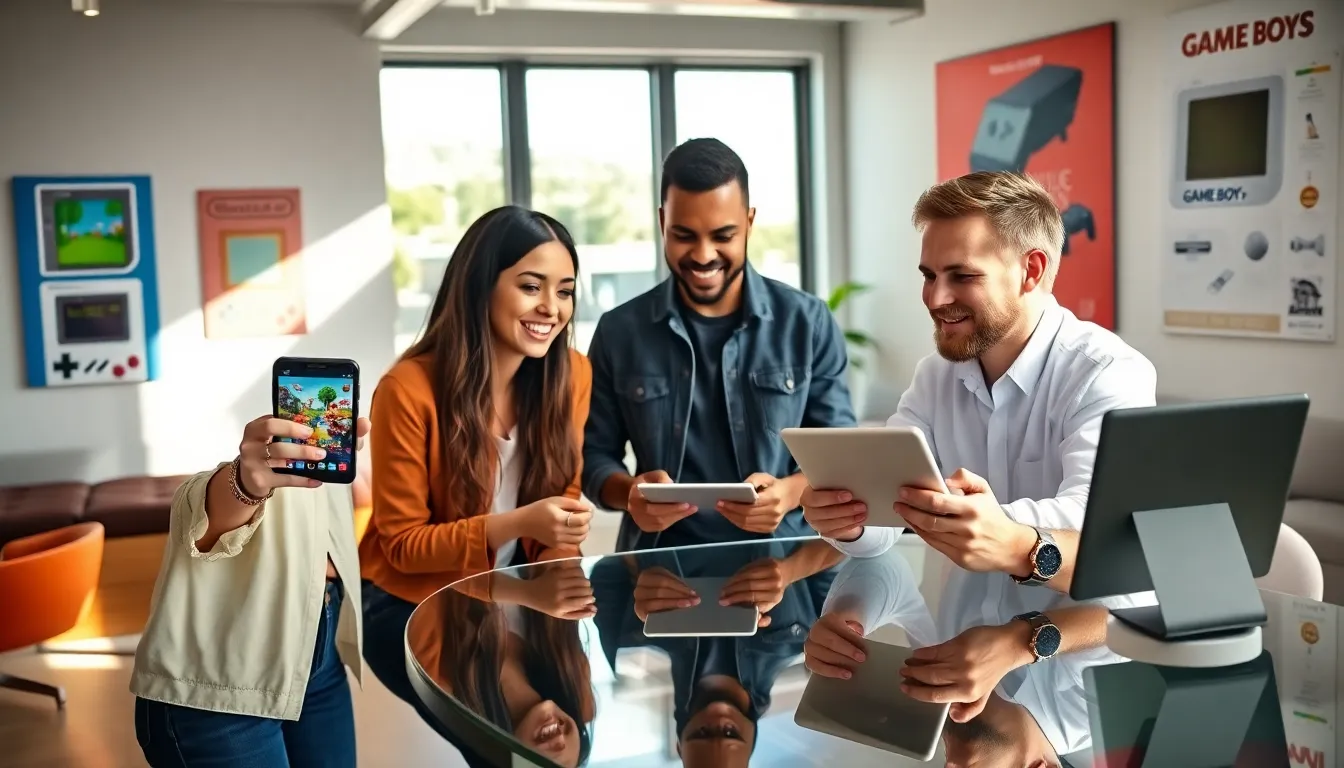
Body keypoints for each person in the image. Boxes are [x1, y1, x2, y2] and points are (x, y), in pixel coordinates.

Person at [801, 170, 1156, 719]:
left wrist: (1005, 533)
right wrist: (851, 518)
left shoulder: (1108, 374)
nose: (936, 298)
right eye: (929, 275)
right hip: (953, 667)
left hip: (1082, 678)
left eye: (961, 275)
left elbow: (1109, 538)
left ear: (1030, 271)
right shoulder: (935, 378)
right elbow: (883, 525)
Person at [359, 205, 595, 731]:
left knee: (571, 725)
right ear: (481, 286)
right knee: (515, 737)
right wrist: (521, 526)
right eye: (531, 286)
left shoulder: (572, 375)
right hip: (413, 601)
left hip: (518, 588)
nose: (551, 308)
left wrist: (559, 550)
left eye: (565, 290)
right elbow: (402, 544)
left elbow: (566, 491)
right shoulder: (408, 389)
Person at [583, 137, 856, 551]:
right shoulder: (619, 331)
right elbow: (592, 457)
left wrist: (788, 493)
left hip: (783, 566)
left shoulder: (807, 323)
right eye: (684, 235)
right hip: (657, 569)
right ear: (662, 223)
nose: (704, 255)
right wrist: (631, 494)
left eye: (723, 235)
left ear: (749, 222)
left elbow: (841, 458)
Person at [130, 413, 372, 768]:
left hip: (317, 659)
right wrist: (245, 483)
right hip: (215, 692)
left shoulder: (325, 471)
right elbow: (203, 521)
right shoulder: (235, 473)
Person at [405, 562, 598, 767]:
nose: (559, 742)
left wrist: (526, 593)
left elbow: (424, 563)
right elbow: (563, 557)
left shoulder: (439, 672)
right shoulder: (568, 667)